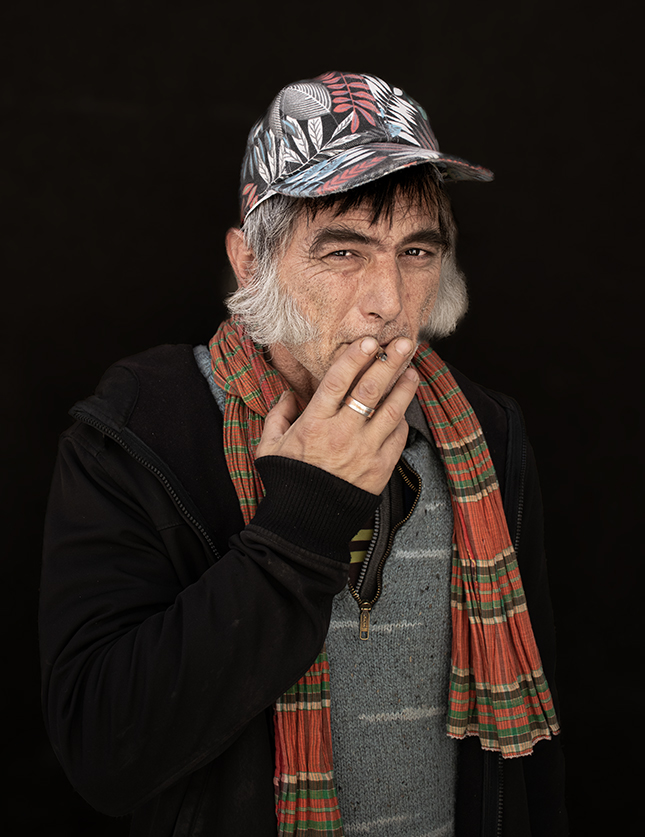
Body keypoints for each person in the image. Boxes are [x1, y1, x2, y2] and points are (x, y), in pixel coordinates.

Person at [40, 71, 567, 837]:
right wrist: (304, 516)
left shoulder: (487, 429)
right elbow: (104, 752)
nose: (389, 300)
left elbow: (534, 760)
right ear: (250, 261)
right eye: (344, 249)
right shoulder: (140, 432)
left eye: (416, 249)